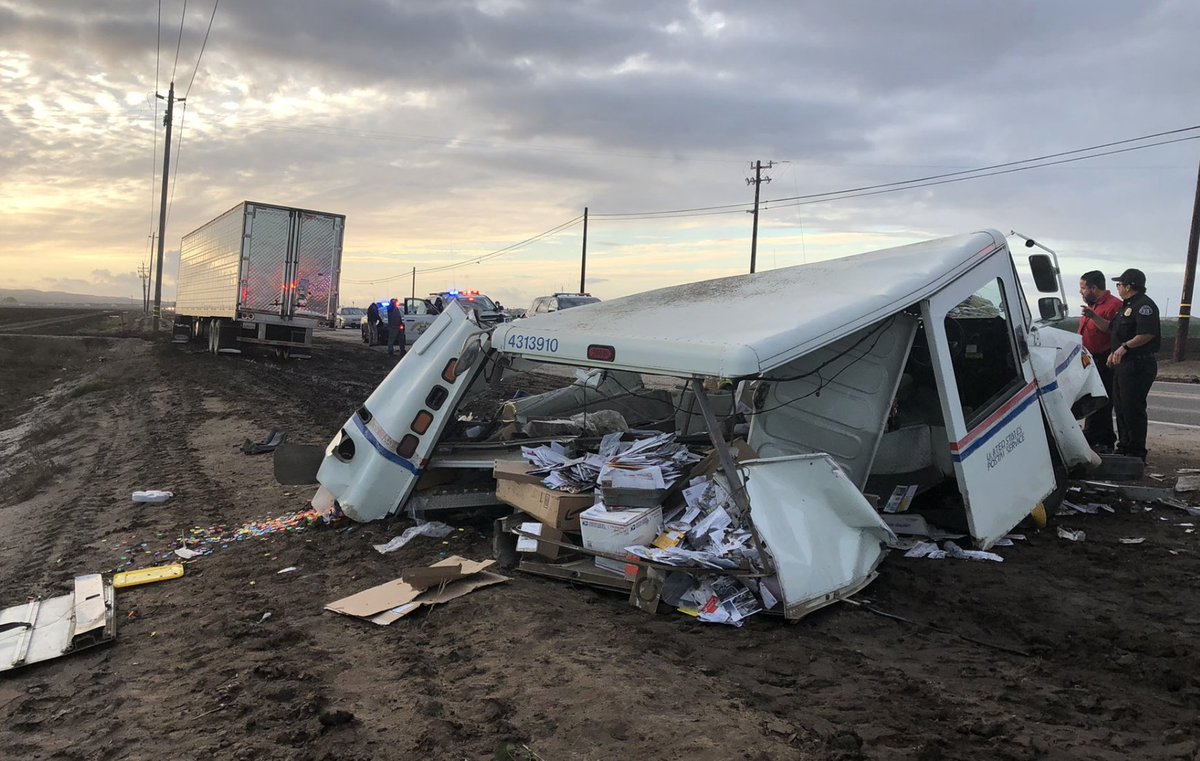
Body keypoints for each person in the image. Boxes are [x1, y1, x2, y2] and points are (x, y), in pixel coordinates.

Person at [1106, 268, 1161, 462]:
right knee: (1121, 407)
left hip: (1138, 365)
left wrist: (1124, 347)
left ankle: (1136, 452)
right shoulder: (1125, 307)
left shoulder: (1144, 306)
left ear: (1129, 286)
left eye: (1119, 284)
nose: (1118, 288)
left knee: (1132, 408)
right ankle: (1124, 447)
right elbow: (1112, 330)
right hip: (1123, 365)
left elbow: (1147, 334)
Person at [1077, 270, 1123, 452]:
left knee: (1102, 400)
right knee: (1090, 399)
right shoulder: (1092, 306)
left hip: (1104, 360)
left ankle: (1103, 439)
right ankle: (1092, 434)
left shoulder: (1114, 306)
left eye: (1083, 288)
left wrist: (1094, 317)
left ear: (1094, 288)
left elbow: (1116, 333)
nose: (1081, 292)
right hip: (1088, 359)